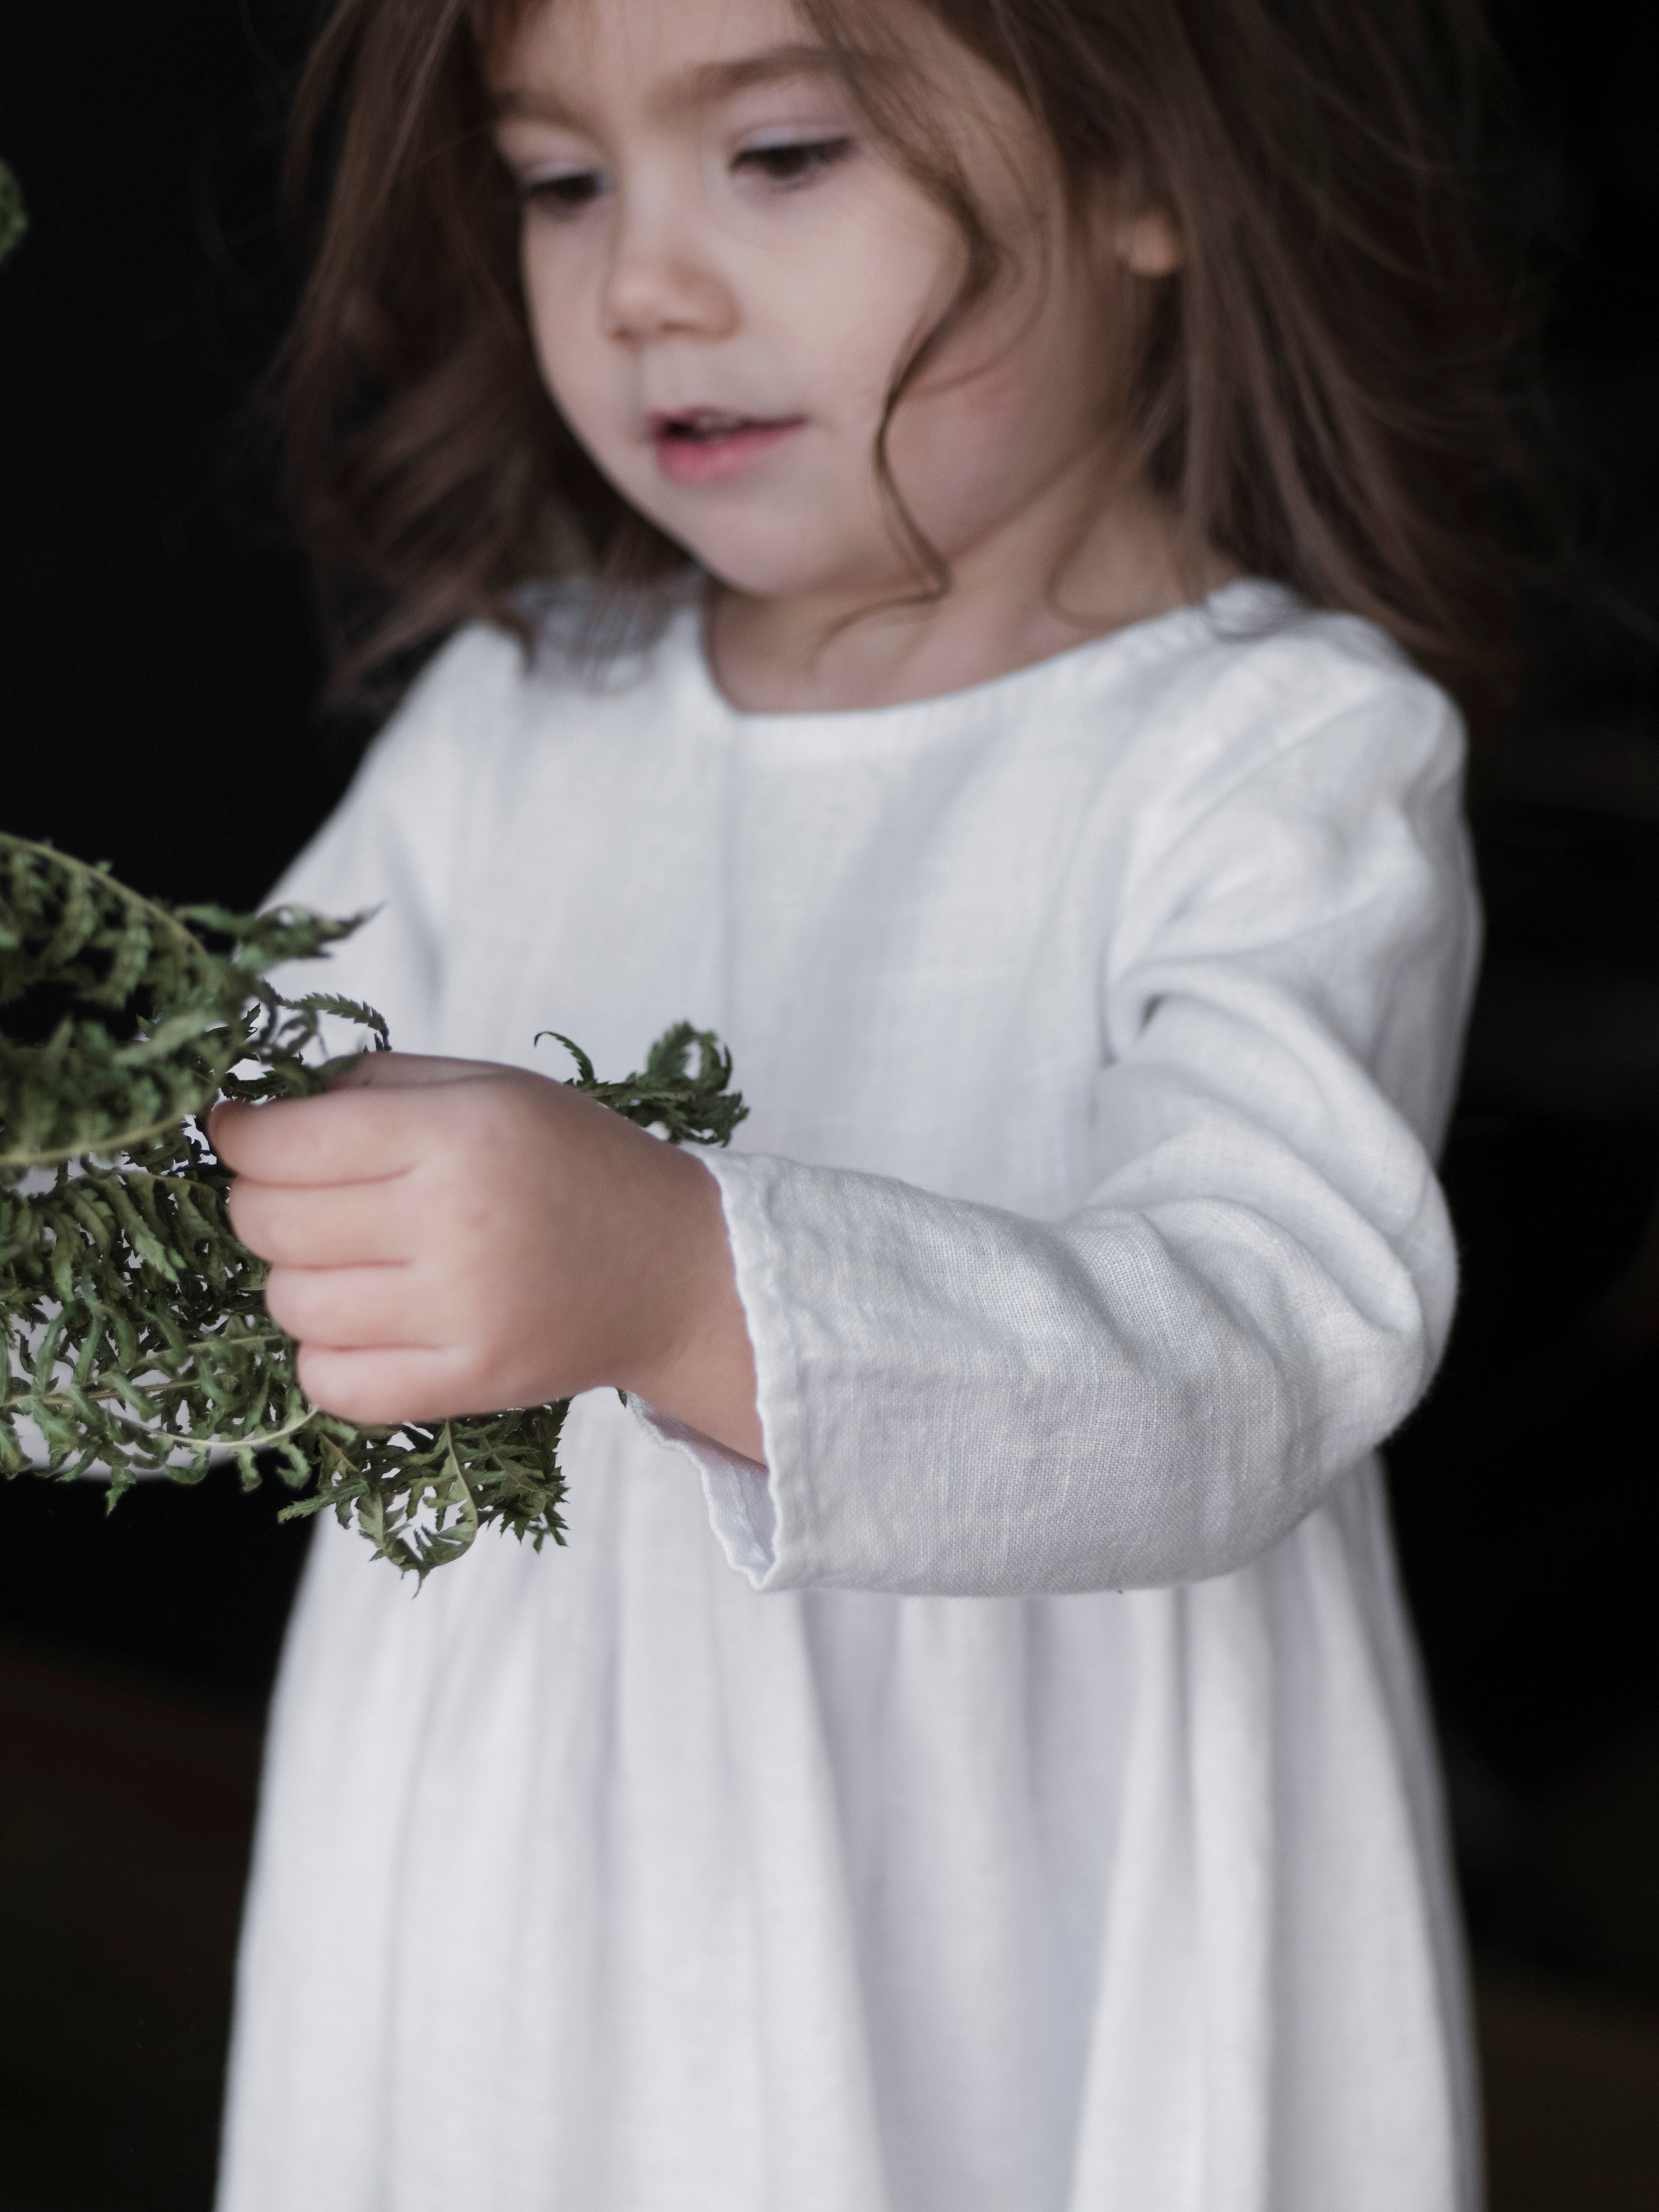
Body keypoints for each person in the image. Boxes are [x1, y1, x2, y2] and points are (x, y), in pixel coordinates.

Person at [211, 0, 1516, 2204]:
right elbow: (216, 1181)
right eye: (561, 179)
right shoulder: (515, 718)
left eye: (787, 151)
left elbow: (1257, 1348)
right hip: (522, 1892)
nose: (642, 283)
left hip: (1017, 1915)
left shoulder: (1276, 768)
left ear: (1147, 171)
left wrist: (670, 1274)